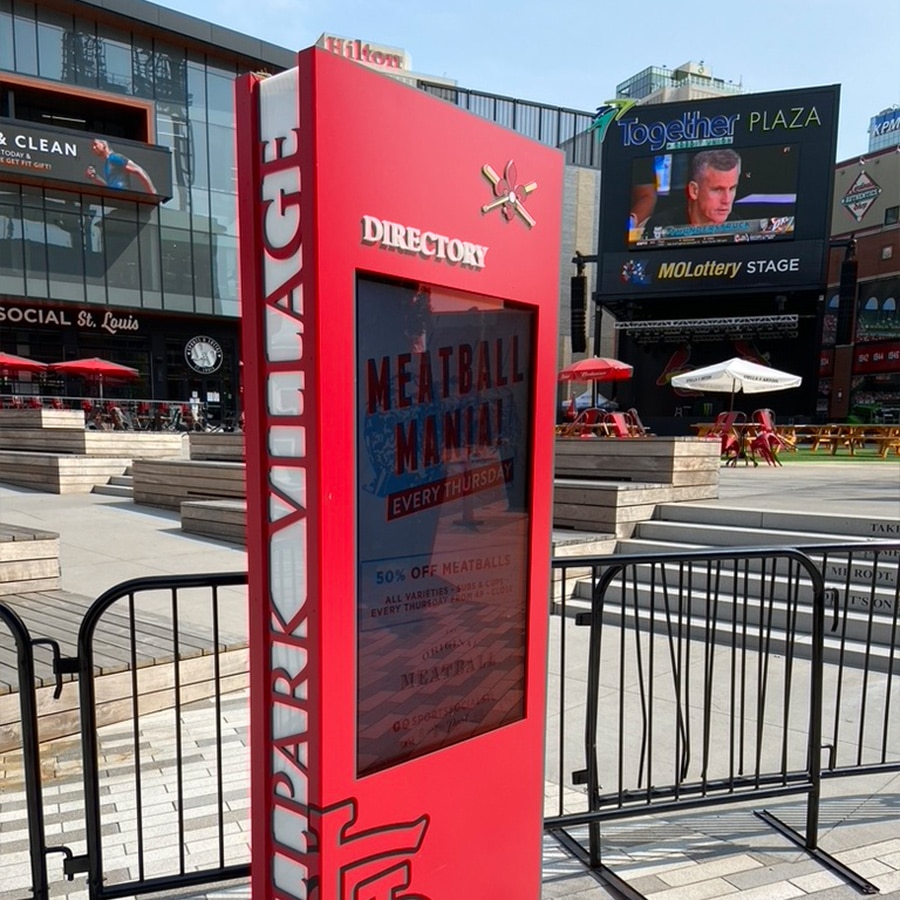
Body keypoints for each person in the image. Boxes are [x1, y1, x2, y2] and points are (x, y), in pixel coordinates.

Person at [642, 148, 741, 237]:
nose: (726, 200)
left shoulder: (739, 227)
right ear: (694, 190)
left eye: (732, 189)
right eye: (718, 190)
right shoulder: (661, 227)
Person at [84, 139, 158, 194]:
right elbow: (109, 188)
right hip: (118, 200)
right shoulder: (107, 164)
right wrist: (94, 178)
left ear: (103, 145)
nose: (93, 148)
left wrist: (152, 193)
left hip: (125, 198)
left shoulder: (115, 157)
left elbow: (138, 170)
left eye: (95, 144)